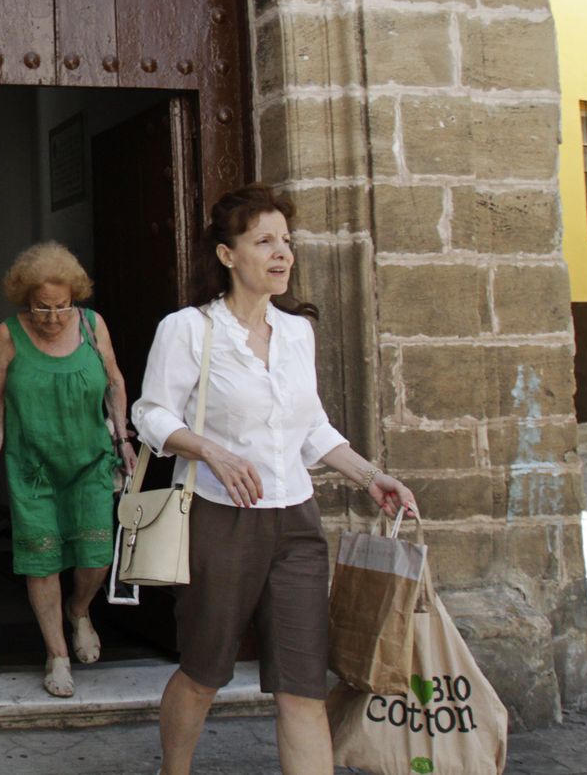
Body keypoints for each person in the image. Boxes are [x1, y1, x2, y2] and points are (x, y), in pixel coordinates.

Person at [130, 184, 419, 775]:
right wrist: (210, 451)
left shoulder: (296, 332)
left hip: (296, 523)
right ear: (227, 254)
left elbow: (311, 427)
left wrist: (370, 476)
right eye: (264, 241)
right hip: (218, 519)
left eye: (285, 241)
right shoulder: (189, 329)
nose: (282, 252)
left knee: (302, 686)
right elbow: (150, 414)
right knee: (204, 672)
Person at [0, 242, 138, 698]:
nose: (51, 317)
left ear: (74, 297)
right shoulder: (9, 333)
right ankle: (57, 655)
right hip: (34, 467)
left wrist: (122, 438)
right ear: (26, 299)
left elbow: (114, 381)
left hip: (90, 460)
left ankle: (79, 610)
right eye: (41, 307)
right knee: (41, 562)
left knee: (96, 556)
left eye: (61, 306)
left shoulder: (92, 325)